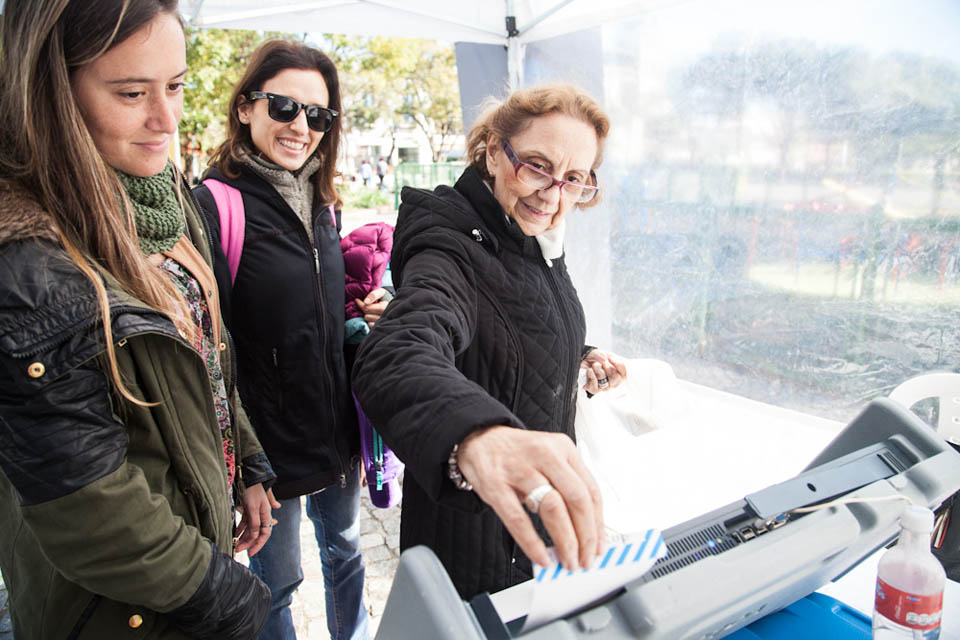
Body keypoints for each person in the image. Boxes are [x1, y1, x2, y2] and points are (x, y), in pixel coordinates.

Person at [0, 1, 277, 638]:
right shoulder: (26, 260)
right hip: (120, 605)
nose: (165, 118)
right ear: (49, 94)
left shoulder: (164, 191)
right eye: (131, 92)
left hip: (194, 551)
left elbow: (206, 350)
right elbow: (89, 504)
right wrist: (227, 596)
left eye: (176, 86)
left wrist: (249, 464)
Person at [352, 83, 628, 599]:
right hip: (475, 542)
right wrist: (474, 434)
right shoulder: (448, 247)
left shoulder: (533, 237)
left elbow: (510, 330)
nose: (552, 194)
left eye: (573, 179)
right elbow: (398, 349)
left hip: (541, 523)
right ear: (493, 151)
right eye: (537, 166)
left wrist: (580, 359)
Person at [194, 39, 388, 640]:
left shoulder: (325, 202)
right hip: (267, 450)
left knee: (348, 557)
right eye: (284, 107)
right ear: (246, 107)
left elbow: (317, 313)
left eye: (319, 115)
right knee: (276, 588)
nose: (302, 126)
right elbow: (206, 349)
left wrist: (363, 311)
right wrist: (245, 468)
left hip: (334, 434)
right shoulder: (215, 205)